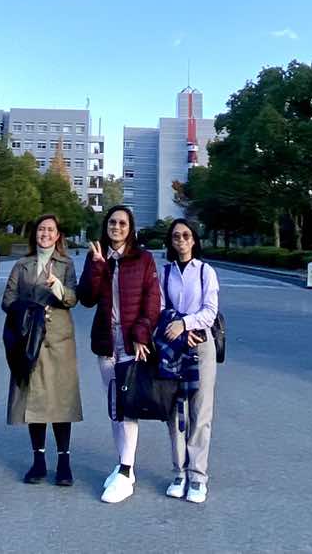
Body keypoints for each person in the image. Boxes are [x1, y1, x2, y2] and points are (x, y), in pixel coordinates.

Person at [77, 204, 160, 504]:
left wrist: (141, 334)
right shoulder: (97, 256)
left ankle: (126, 471)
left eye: (123, 223)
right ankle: (123, 465)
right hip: (105, 342)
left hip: (131, 343)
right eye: (112, 222)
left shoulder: (143, 259)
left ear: (131, 227)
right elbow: (86, 298)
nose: (117, 227)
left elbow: (153, 302)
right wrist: (98, 266)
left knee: (128, 406)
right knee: (115, 406)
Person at [1, 213, 84, 486]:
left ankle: (64, 462)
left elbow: (73, 298)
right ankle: (38, 460)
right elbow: (8, 299)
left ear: (58, 235)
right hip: (29, 341)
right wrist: (28, 310)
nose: (45, 234)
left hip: (59, 340)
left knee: (60, 401)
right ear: (34, 233)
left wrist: (57, 286)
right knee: (34, 400)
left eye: (50, 230)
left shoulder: (66, 264)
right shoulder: (22, 265)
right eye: (41, 229)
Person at [158, 218, 220, 504]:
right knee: (175, 411)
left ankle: (197, 475)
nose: (181, 240)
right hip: (173, 345)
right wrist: (176, 327)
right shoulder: (166, 271)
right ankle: (179, 471)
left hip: (200, 344)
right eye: (175, 236)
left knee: (200, 410)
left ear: (194, 239)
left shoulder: (206, 272)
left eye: (185, 235)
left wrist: (186, 325)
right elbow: (159, 307)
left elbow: (210, 311)